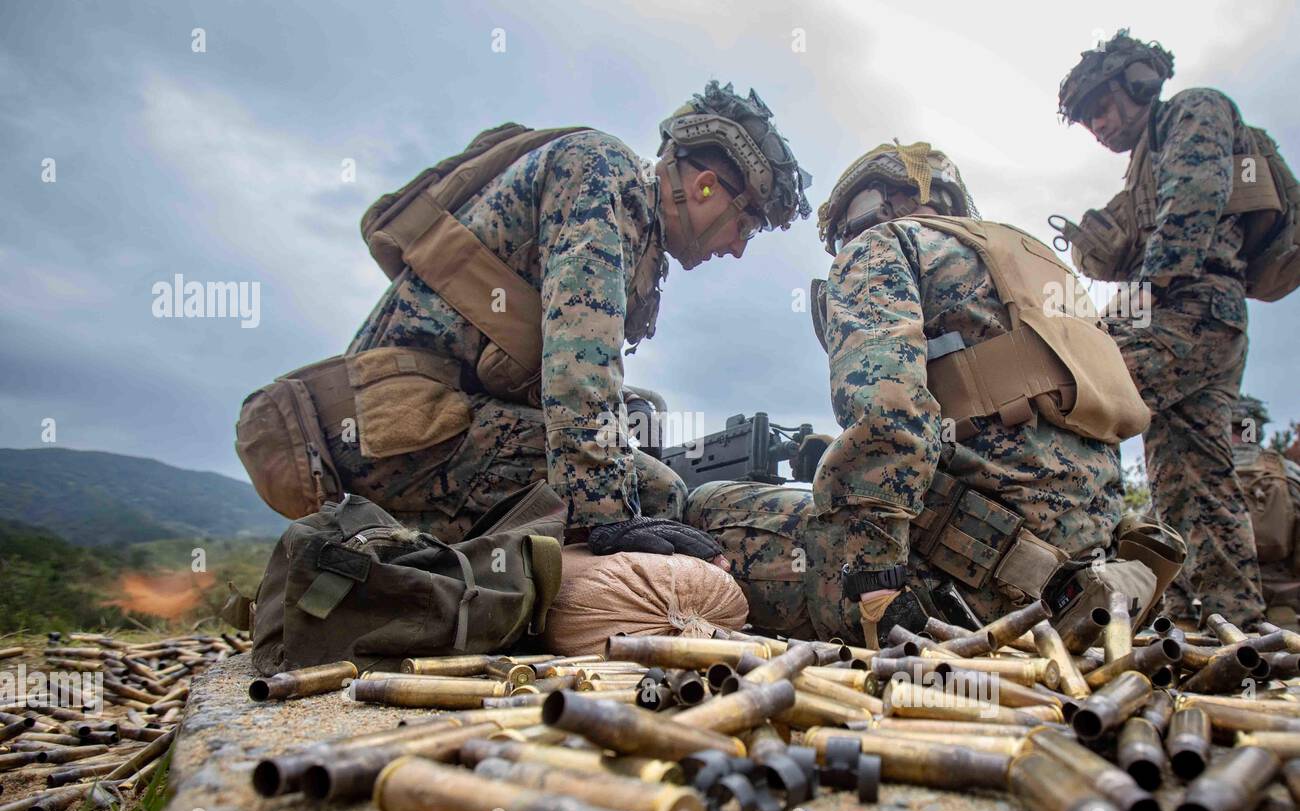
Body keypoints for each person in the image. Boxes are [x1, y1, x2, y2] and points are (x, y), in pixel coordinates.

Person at [285, 81, 809, 560]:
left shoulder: (634, 222)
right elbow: (579, 363)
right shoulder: (608, 173)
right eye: (745, 225)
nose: (738, 249)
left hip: (419, 427)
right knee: (658, 493)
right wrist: (605, 520)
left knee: (642, 419)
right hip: (396, 434)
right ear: (707, 187)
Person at [685, 143, 1150, 644]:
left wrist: (873, 586)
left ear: (873, 203)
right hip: (1085, 591)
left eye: (843, 231)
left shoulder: (883, 245)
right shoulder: (1046, 275)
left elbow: (889, 415)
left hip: (959, 592)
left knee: (708, 509)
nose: (844, 243)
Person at [1056, 29, 1267, 625]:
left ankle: (1060, 581)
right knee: (1192, 480)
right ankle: (1228, 625)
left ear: (1139, 84)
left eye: (1102, 105)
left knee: (1076, 395)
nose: (1098, 124)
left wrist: (1134, 300)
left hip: (1194, 309)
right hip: (1204, 319)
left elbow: (1195, 197)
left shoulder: (1194, 110)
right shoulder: (1142, 165)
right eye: (1087, 118)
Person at [1230, 396, 1300, 623]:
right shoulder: (1287, 470)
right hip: (1281, 596)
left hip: (1221, 596)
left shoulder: (1202, 470)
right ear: (1256, 428)